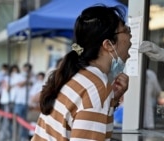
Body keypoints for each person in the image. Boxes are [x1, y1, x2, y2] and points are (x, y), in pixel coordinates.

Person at [32, 5, 131, 141]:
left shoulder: (76, 74)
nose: (130, 36)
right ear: (108, 45)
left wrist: (111, 101)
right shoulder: (96, 87)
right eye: (126, 30)